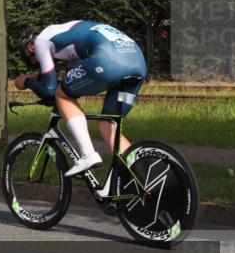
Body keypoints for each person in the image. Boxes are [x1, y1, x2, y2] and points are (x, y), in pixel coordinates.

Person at [14, 21, 147, 177]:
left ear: (31, 48)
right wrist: (40, 79)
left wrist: (26, 81)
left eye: (35, 61)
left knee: (62, 95)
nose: (40, 65)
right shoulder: (69, 39)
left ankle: (88, 154)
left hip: (109, 60)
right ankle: (142, 179)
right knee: (108, 125)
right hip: (137, 64)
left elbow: (51, 91)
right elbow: (70, 84)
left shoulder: (40, 42)